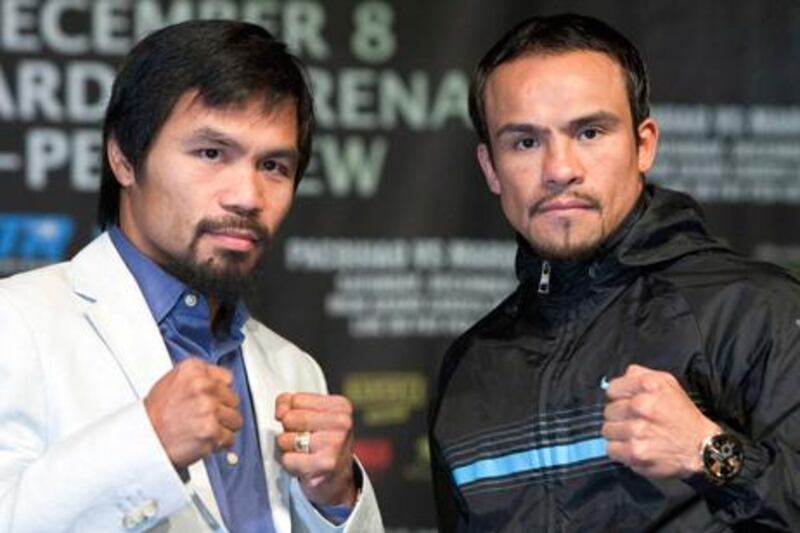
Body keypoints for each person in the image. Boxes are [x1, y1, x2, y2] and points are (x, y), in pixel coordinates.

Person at [0, 20, 383, 532]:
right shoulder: (15, 323)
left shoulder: (295, 371)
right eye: (211, 153)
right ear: (124, 157)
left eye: (273, 165)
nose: (247, 196)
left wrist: (336, 500)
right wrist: (146, 443)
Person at [428, 13, 800, 532]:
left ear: (644, 144)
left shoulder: (755, 309)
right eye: (525, 142)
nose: (560, 169)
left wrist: (709, 452)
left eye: (589, 131)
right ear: (491, 168)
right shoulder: (470, 369)